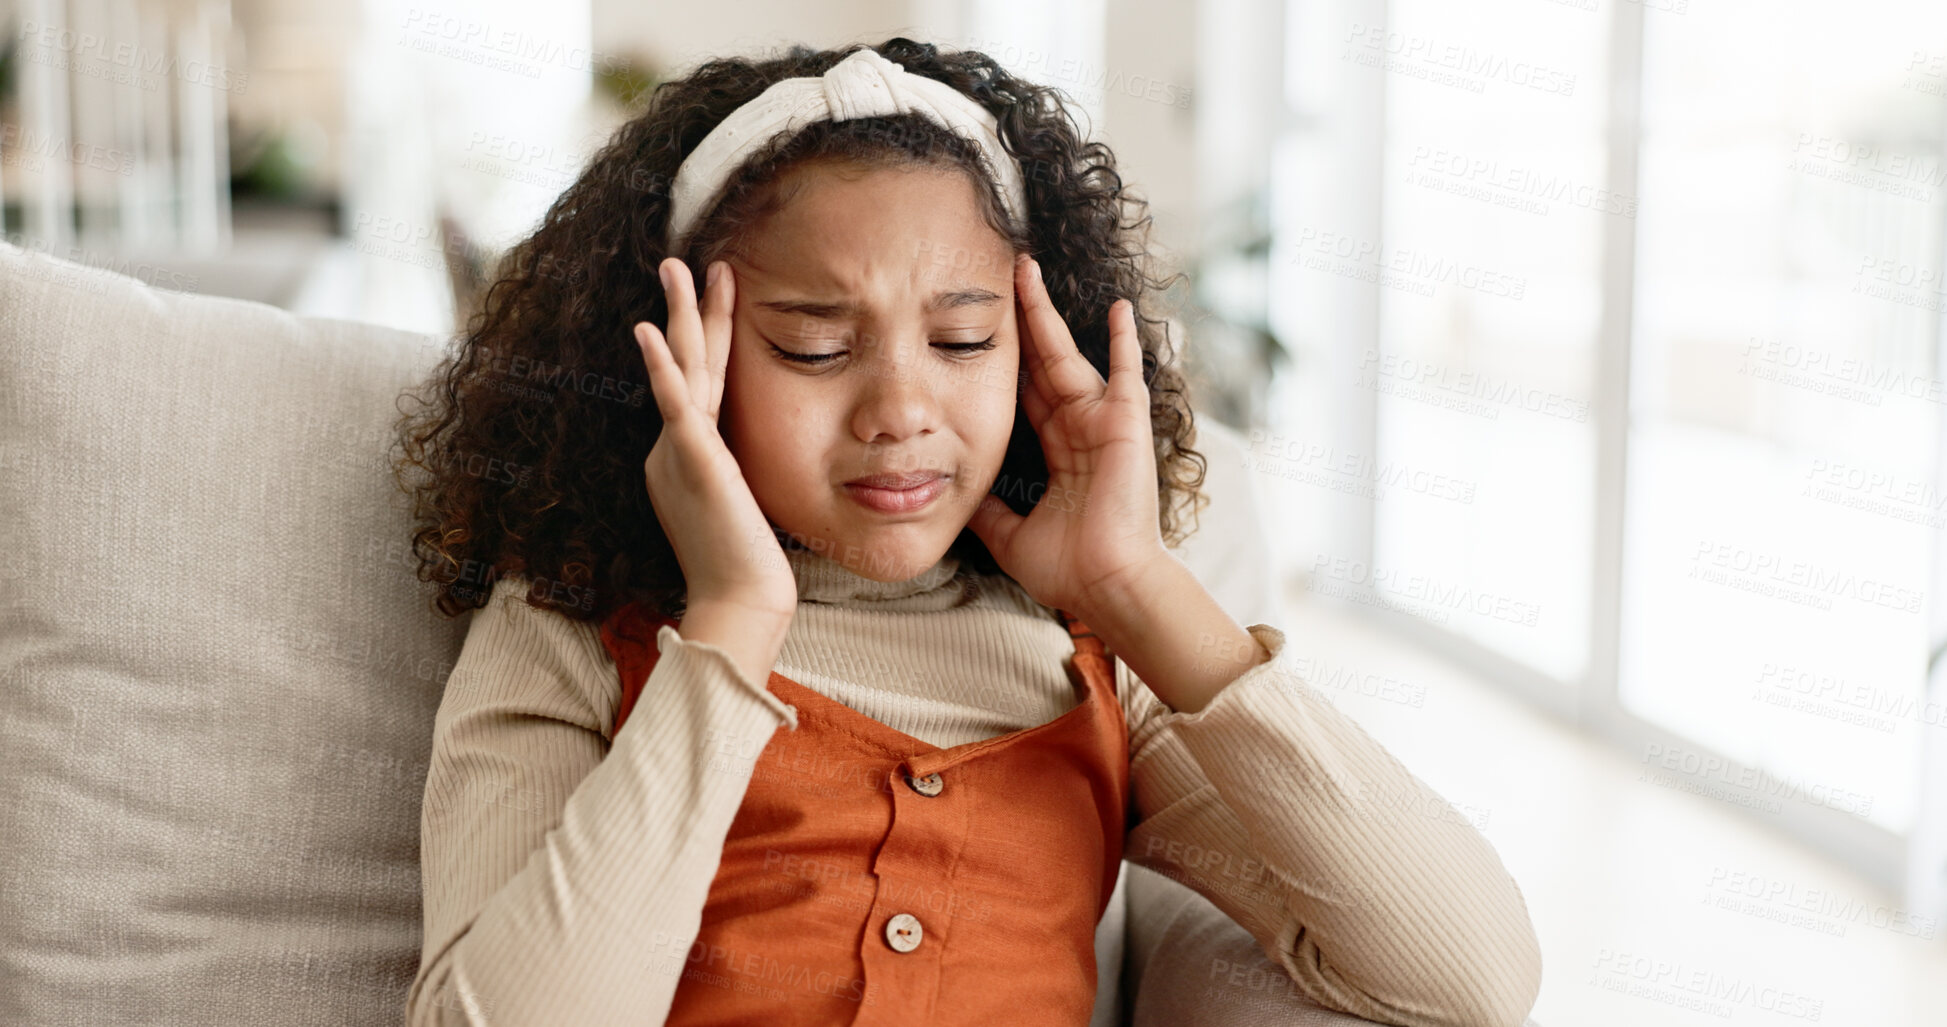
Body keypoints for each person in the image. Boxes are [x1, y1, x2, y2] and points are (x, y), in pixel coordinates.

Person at [392, 37, 1542, 1027]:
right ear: (678, 351)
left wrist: (1136, 582)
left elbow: (1471, 976)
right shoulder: (568, 627)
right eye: (813, 345)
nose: (902, 413)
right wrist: (734, 622)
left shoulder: (1091, 661)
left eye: (961, 341)